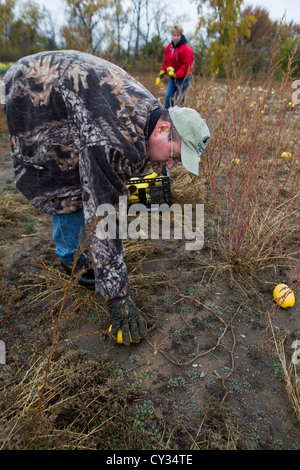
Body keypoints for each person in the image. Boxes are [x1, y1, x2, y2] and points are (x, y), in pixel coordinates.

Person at [2, 50, 209, 346]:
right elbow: (103, 215)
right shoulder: (113, 140)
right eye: (175, 156)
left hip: (63, 88)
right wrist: (118, 296)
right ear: (164, 128)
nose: (173, 165)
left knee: (98, 176)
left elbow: (118, 167)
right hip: (32, 86)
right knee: (65, 180)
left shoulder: (150, 113)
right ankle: (71, 257)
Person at [156, 25, 194, 109]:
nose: (175, 37)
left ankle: (178, 117)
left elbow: (187, 67)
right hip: (173, 78)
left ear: (181, 36)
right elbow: (166, 62)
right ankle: (166, 116)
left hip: (184, 78)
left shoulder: (187, 50)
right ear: (172, 35)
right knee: (168, 97)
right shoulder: (168, 48)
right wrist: (162, 72)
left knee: (179, 99)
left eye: (178, 35)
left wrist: (176, 74)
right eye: (174, 35)